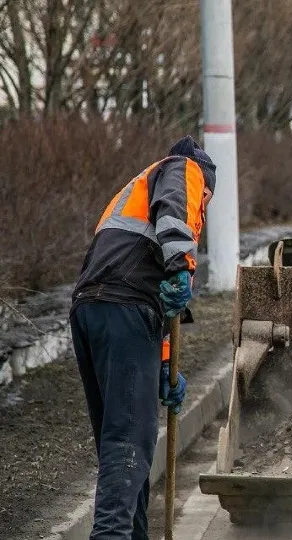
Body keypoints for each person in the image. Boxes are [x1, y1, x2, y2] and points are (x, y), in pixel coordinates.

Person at [69, 135, 216, 540]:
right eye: (205, 199)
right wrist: (182, 265)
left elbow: (159, 305)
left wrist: (165, 367)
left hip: (94, 311)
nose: (202, 208)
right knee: (128, 446)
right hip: (124, 310)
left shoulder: (136, 194)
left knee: (121, 448)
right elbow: (173, 220)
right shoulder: (184, 169)